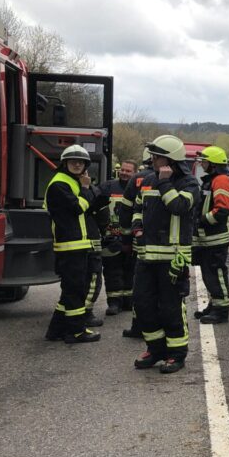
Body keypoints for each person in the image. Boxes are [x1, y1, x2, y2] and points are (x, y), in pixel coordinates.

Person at [131, 135, 199, 373]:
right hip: (146, 256)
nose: (152, 160)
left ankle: (176, 354)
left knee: (171, 307)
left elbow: (179, 207)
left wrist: (165, 183)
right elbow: (138, 208)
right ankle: (155, 348)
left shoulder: (190, 184)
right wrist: (137, 228)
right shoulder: (148, 180)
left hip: (173, 258)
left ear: (170, 160)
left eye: (156, 156)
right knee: (142, 303)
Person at [43, 145, 102, 344]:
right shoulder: (60, 184)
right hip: (70, 246)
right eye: (72, 161)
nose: (77, 164)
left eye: (81, 162)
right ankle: (76, 332)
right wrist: (86, 189)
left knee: (70, 290)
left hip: (76, 245)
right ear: (64, 163)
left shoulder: (71, 181)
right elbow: (78, 208)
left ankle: (56, 330)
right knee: (76, 290)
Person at [192, 145, 229, 324]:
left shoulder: (221, 180)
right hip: (207, 239)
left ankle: (221, 311)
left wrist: (202, 220)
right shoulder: (212, 179)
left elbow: (222, 210)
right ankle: (214, 304)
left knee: (216, 273)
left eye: (205, 161)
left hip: (215, 239)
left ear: (214, 163)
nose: (202, 163)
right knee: (209, 274)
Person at [117, 149, 154, 338]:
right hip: (165, 244)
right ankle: (156, 329)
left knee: (140, 286)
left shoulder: (137, 179)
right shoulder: (174, 179)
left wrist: (126, 239)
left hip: (140, 241)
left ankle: (138, 326)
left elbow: (125, 211)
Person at [98, 160, 137, 315]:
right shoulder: (107, 187)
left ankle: (128, 301)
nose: (124, 173)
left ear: (134, 173)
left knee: (130, 270)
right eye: (123, 169)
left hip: (130, 237)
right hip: (111, 237)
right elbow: (98, 207)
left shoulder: (138, 188)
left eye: (128, 171)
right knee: (112, 271)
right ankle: (114, 303)